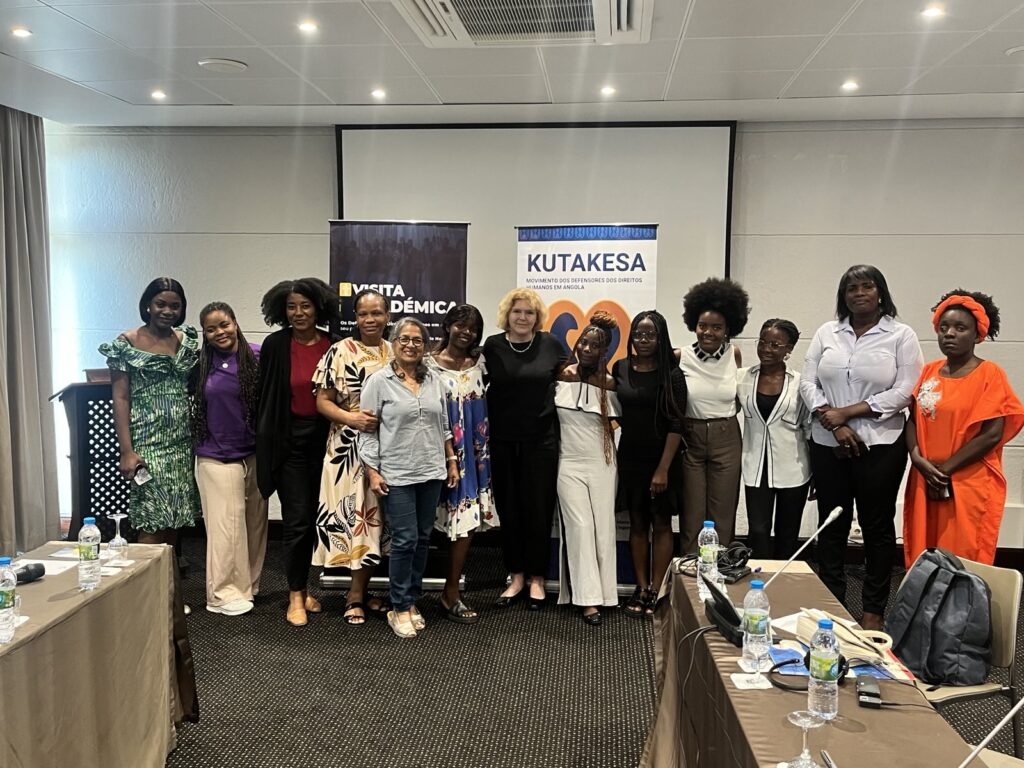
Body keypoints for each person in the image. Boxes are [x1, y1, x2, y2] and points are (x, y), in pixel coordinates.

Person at [800, 265, 923, 631]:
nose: (859, 293)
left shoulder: (901, 335)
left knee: (877, 527)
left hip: (881, 444)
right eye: (851, 288)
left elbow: (905, 390)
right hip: (829, 444)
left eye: (867, 286)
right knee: (832, 526)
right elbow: (808, 382)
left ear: (881, 293)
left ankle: (873, 611)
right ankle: (831, 605)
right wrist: (833, 422)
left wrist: (847, 413)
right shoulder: (827, 332)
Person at [903, 290, 1024, 567]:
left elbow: (992, 433)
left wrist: (944, 470)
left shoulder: (990, 374)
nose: (949, 334)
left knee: (963, 557)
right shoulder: (929, 371)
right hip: (925, 478)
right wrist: (917, 457)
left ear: (978, 334)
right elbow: (912, 419)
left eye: (960, 328)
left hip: (967, 482)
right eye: (943, 327)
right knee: (925, 553)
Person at [358, 318, 460, 639]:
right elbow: (367, 431)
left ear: (425, 345)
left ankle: (411, 600)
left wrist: (452, 461)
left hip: (431, 471)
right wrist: (373, 471)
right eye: (404, 339)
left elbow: (443, 426)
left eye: (418, 340)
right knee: (404, 540)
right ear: (394, 342)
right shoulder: (378, 382)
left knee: (423, 538)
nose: (411, 345)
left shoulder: (435, 382)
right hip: (397, 473)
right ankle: (399, 606)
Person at [255, 278, 338, 627]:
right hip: (291, 442)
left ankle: (307, 591)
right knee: (297, 520)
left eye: (305, 306)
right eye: (291, 306)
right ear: (281, 310)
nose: (299, 313)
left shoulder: (334, 344)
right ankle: (295, 594)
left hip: (330, 442)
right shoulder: (275, 345)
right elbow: (265, 395)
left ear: (318, 308)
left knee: (322, 519)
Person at [483, 288, 568, 610]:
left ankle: (536, 578)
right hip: (502, 440)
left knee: (538, 509)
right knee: (510, 508)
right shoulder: (492, 346)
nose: (522, 317)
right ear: (508, 315)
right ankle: (515, 575)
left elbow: (570, 375)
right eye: (517, 312)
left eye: (529, 313)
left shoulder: (550, 344)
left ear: (537, 317)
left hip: (541, 439)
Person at [312, 288, 393, 626]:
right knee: (354, 517)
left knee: (378, 521)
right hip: (347, 448)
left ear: (387, 316)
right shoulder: (339, 351)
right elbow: (323, 401)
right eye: (363, 314)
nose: (370, 320)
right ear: (355, 317)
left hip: (390, 448)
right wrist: (351, 418)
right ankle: (355, 594)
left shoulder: (396, 349)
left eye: (377, 313)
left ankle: (362, 589)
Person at [100, 277, 200, 545]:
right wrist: (126, 450)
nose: (168, 311)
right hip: (147, 443)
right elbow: (120, 397)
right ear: (147, 305)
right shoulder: (127, 342)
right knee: (152, 519)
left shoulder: (185, 339)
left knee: (174, 519)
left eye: (175, 306)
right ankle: (146, 586)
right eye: (161, 304)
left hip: (180, 443)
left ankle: (169, 585)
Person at [191, 302, 267, 616]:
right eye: (211, 329)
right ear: (205, 335)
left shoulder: (258, 356)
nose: (219, 332)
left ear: (235, 323)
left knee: (253, 524)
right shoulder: (200, 364)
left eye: (224, 324)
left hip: (254, 452)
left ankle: (247, 586)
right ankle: (222, 594)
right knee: (226, 527)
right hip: (216, 455)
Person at [613, 310, 687, 617]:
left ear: (661, 338)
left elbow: (676, 425)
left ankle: (658, 589)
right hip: (630, 457)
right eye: (639, 334)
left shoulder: (672, 374)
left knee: (661, 524)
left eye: (651, 335)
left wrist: (662, 469)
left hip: (662, 460)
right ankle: (641, 587)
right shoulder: (620, 367)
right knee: (638, 524)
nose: (643, 340)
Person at [427, 304, 497, 624]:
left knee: (466, 522)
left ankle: (451, 592)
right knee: (421, 522)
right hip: (432, 451)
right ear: (447, 325)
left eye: (473, 328)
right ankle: (405, 597)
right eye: (460, 324)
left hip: (474, 454)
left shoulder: (482, 364)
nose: (466, 332)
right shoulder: (427, 365)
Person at [555, 313, 622, 625]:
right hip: (567, 462)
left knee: (603, 529)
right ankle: (586, 600)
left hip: (602, 463)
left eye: (594, 345)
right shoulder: (561, 375)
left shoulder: (610, 384)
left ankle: (606, 595)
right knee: (580, 528)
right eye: (583, 341)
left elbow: (618, 425)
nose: (585, 347)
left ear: (603, 351)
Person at [678, 277, 750, 552]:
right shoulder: (681, 355)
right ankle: (689, 573)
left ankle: (721, 572)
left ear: (728, 328)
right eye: (702, 326)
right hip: (691, 438)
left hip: (726, 436)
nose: (708, 332)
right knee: (692, 513)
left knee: (722, 512)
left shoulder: (735, 354)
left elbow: (739, 396)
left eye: (716, 327)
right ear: (693, 325)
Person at [737, 319, 812, 560]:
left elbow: (809, 427)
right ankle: (758, 587)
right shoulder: (742, 378)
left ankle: (783, 587)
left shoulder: (801, 383)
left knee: (787, 533)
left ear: (788, 349)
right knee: (757, 531)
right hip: (755, 468)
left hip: (794, 468)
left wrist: (819, 471)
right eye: (762, 342)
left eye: (775, 344)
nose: (766, 349)